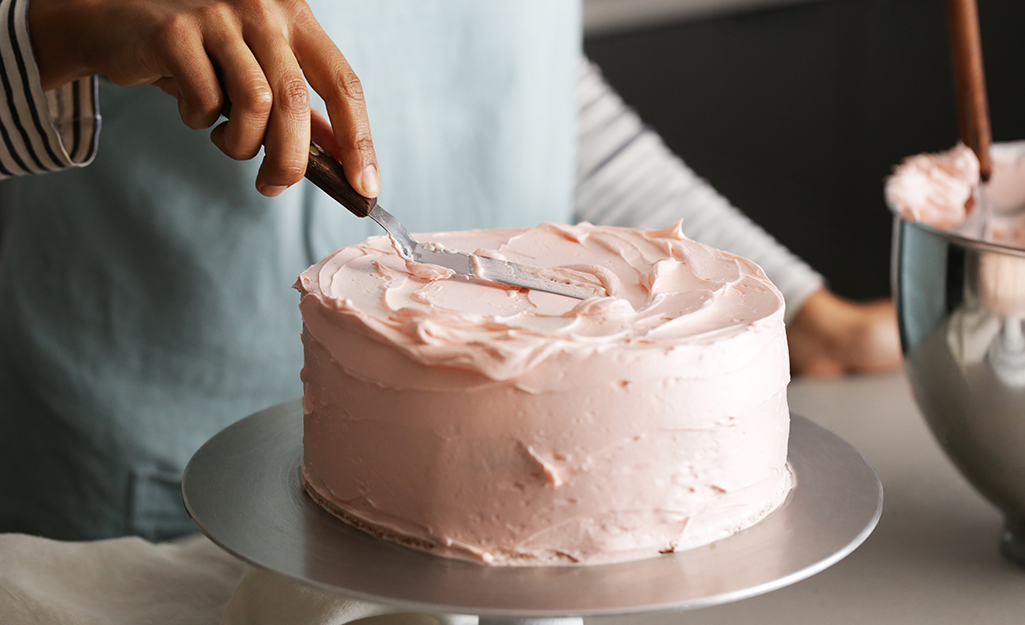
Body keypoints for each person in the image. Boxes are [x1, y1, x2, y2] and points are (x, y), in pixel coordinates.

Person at [0, 0, 900, 542]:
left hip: (527, 479)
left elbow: (526, 82)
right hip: (156, 483)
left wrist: (807, 310)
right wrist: (58, 26)